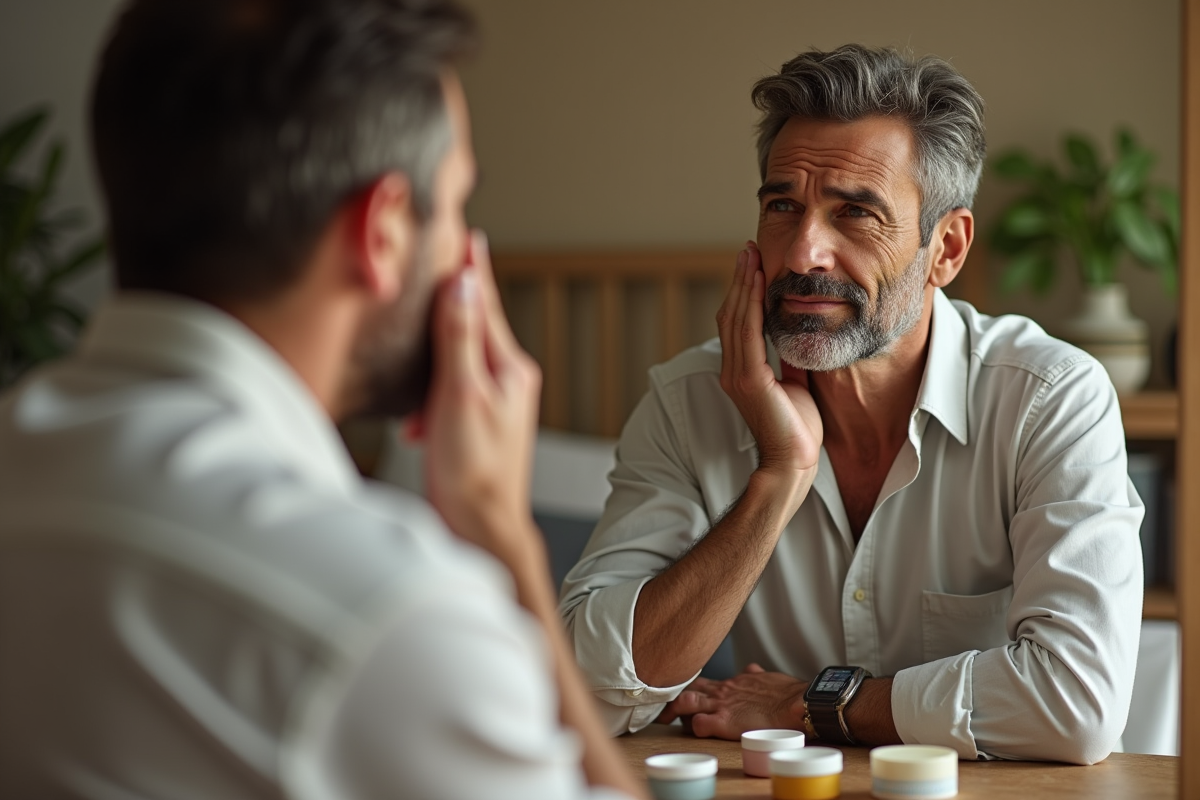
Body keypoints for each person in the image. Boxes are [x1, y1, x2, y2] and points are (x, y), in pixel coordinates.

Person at [0, 1, 645, 798]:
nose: (465, 256)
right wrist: (502, 535)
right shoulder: (394, 615)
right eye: (452, 206)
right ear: (381, 234)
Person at [559, 44, 1143, 765]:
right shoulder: (689, 404)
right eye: (783, 206)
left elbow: (1077, 704)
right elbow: (580, 691)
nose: (804, 253)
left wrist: (813, 702)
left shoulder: (1049, 401)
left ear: (947, 249)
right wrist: (779, 476)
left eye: (856, 214)